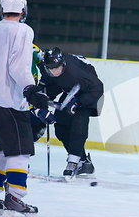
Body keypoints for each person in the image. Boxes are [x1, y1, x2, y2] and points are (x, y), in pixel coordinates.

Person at [0, 0, 52, 217]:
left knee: (2, 151)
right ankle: (15, 198)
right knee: (20, 152)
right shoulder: (24, 30)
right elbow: (18, 68)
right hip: (10, 100)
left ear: (2, 9)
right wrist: (31, 89)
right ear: (23, 10)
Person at [0, 44, 54, 167]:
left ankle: (19, 157)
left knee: (37, 126)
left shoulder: (31, 48)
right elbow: (18, 99)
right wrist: (37, 110)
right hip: (3, 97)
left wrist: (44, 78)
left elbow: (43, 60)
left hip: (27, 94)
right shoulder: (6, 57)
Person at [39, 47, 104, 177]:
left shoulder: (75, 72)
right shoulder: (50, 69)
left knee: (79, 121)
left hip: (89, 92)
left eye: (57, 68)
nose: (55, 71)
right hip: (72, 90)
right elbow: (55, 84)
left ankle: (73, 162)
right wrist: (43, 99)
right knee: (61, 127)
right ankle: (84, 162)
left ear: (63, 63)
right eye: (51, 69)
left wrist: (79, 102)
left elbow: (98, 87)